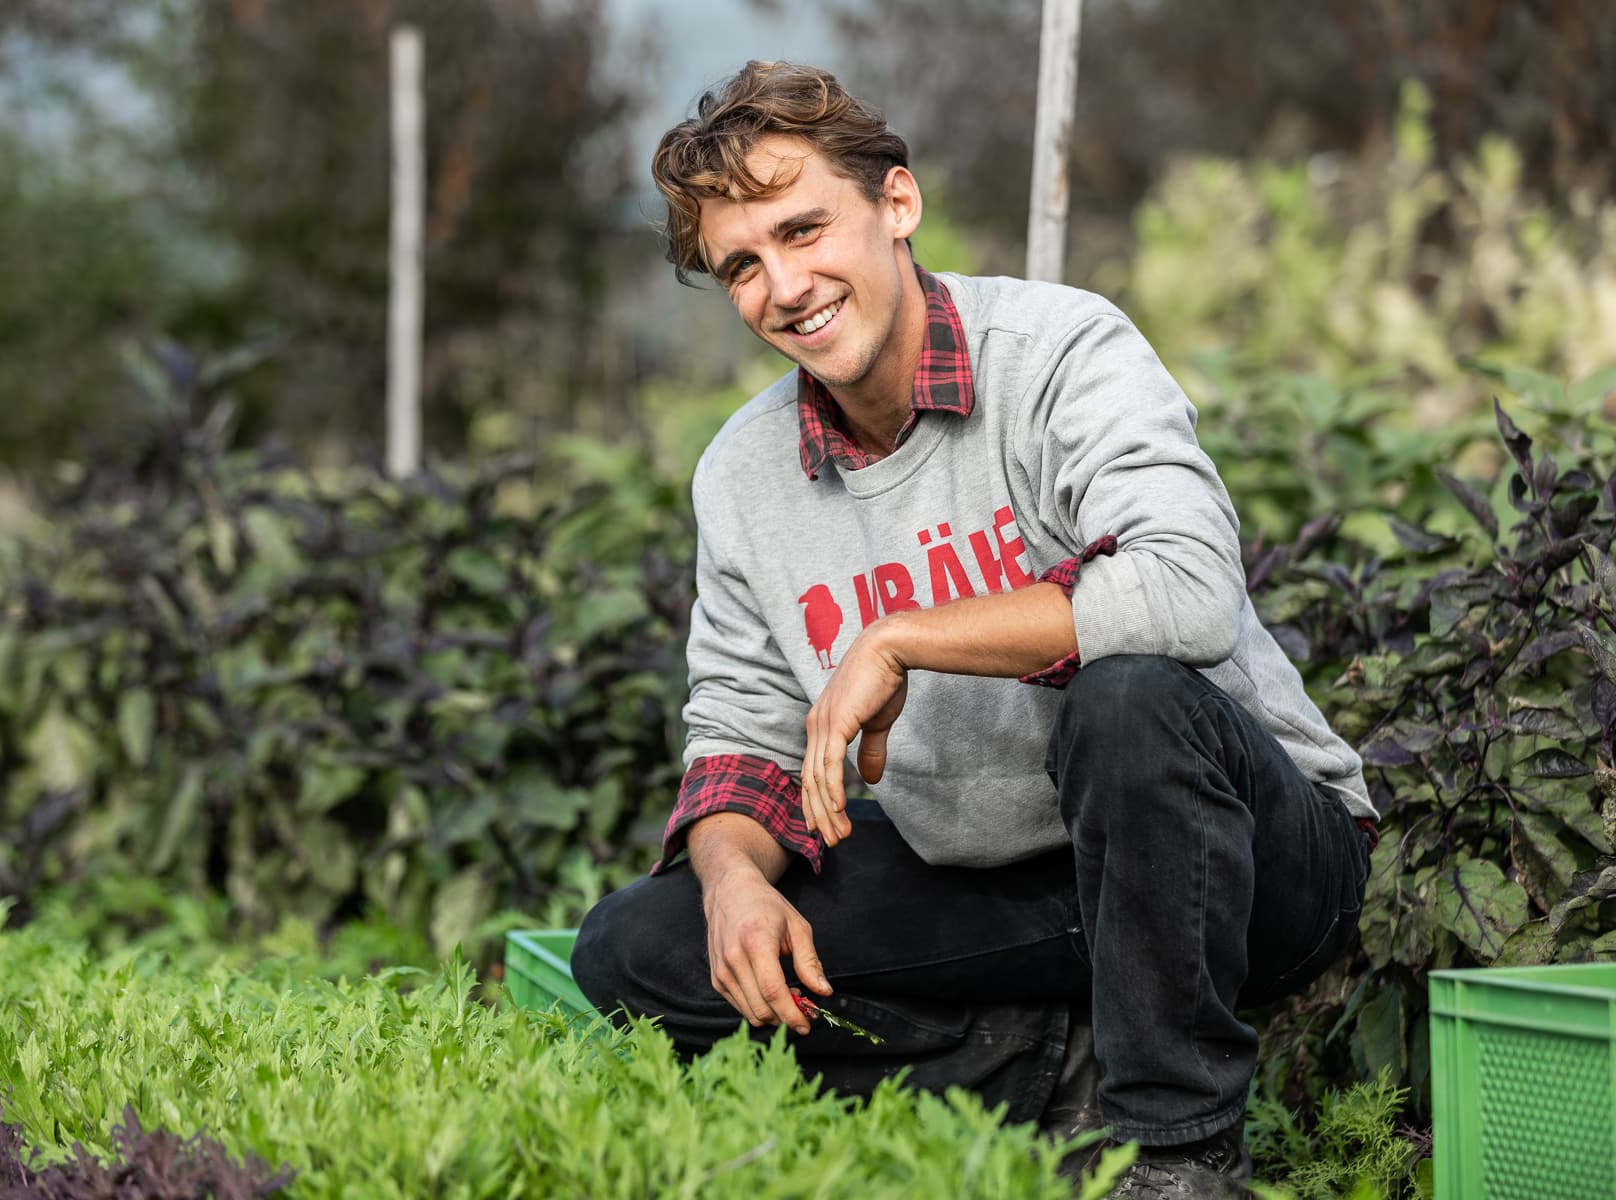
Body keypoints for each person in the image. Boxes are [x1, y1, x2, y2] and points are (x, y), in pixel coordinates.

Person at [572, 60, 1375, 1198]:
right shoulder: (742, 474)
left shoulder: (1060, 352)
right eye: (743, 265)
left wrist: (901, 637)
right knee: (638, 949)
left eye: (805, 230)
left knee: (1131, 695)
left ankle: (1180, 1160)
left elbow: (1187, 586)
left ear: (896, 204)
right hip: (1013, 888)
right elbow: (741, 733)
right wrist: (736, 879)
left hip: (1241, 859)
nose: (786, 285)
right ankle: (1055, 1071)